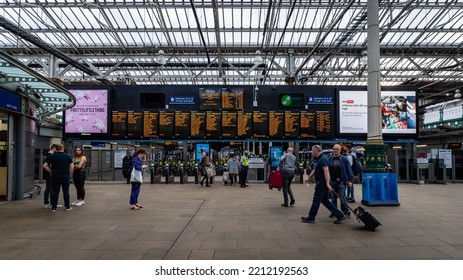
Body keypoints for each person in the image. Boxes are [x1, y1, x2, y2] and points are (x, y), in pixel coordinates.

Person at [301, 145, 346, 224]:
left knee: (316, 200)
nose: (311, 152)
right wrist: (309, 177)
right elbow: (315, 169)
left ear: (315, 151)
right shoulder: (320, 159)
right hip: (321, 183)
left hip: (322, 184)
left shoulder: (323, 159)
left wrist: (327, 184)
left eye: (312, 151)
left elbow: (326, 172)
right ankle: (339, 215)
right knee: (325, 201)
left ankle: (311, 218)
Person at [43, 144, 74, 212]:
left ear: (56, 149)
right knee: (66, 191)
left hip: (55, 177)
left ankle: (53, 208)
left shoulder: (52, 156)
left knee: (55, 192)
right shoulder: (67, 156)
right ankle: (67, 207)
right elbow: (72, 166)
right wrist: (70, 175)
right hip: (65, 177)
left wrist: (50, 171)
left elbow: (45, 166)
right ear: (63, 148)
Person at [328, 144, 353, 218]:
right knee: (333, 198)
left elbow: (349, 170)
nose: (335, 150)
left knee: (342, 197)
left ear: (340, 150)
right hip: (332, 181)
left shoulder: (344, 159)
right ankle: (334, 211)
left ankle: (346, 212)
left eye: (337, 149)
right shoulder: (330, 159)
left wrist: (350, 180)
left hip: (341, 181)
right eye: (334, 149)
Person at [43, 144, 58, 209]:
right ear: (54, 148)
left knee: (49, 188)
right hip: (49, 175)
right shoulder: (50, 155)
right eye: (56, 149)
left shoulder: (47, 155)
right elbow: (45, 165)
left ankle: (49, 203)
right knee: (50, 189)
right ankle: (49, 203)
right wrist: (51, 172)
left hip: (47, 175)